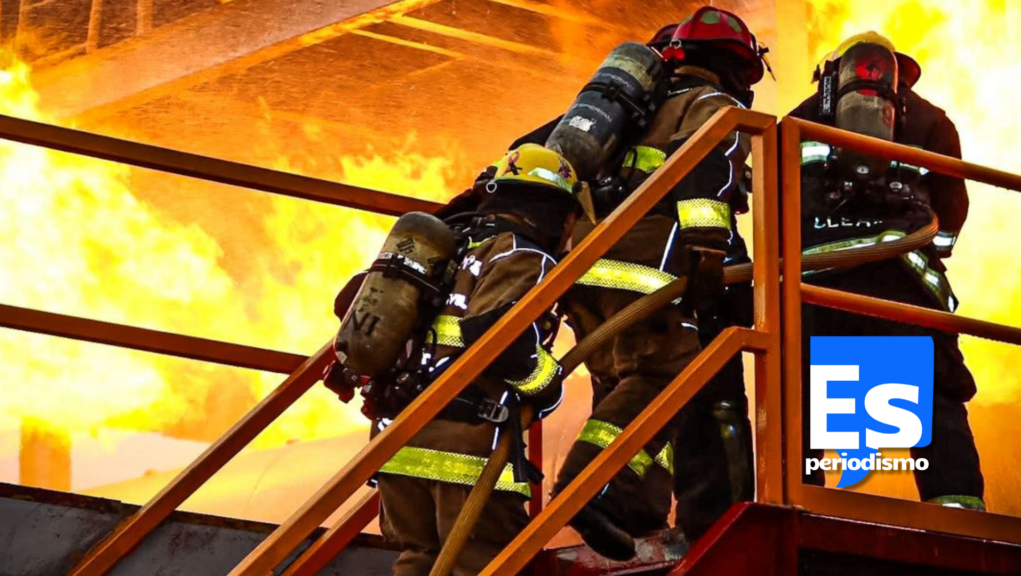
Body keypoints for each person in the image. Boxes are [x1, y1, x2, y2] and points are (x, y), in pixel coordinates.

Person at [549, 7, 770, 560]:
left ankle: (634, 514)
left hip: (585, 271)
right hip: (651, 271)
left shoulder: (628, 116)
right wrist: (707, 253)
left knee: (624, 389)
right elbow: (705, 177)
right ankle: (589, 485)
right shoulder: (710, 108)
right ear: (737, 68)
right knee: (662, 376)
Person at [375, 143, 593, 576]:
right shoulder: (522, 253)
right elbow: (496, 340)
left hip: (397, 440)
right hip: (466, 446)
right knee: (481, 564)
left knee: (418, 558)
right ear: (557, 211)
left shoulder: (451, 247)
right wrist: (546, 382)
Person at [790, 32, 985, 511]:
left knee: (802, 396)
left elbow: (777, 202)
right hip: (905, 287)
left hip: (817, 287)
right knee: (934, 395)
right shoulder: (932, 119)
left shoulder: (797, 117)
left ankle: (793, 505)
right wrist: (931, 250)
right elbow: (952, 206)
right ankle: (957, 516)